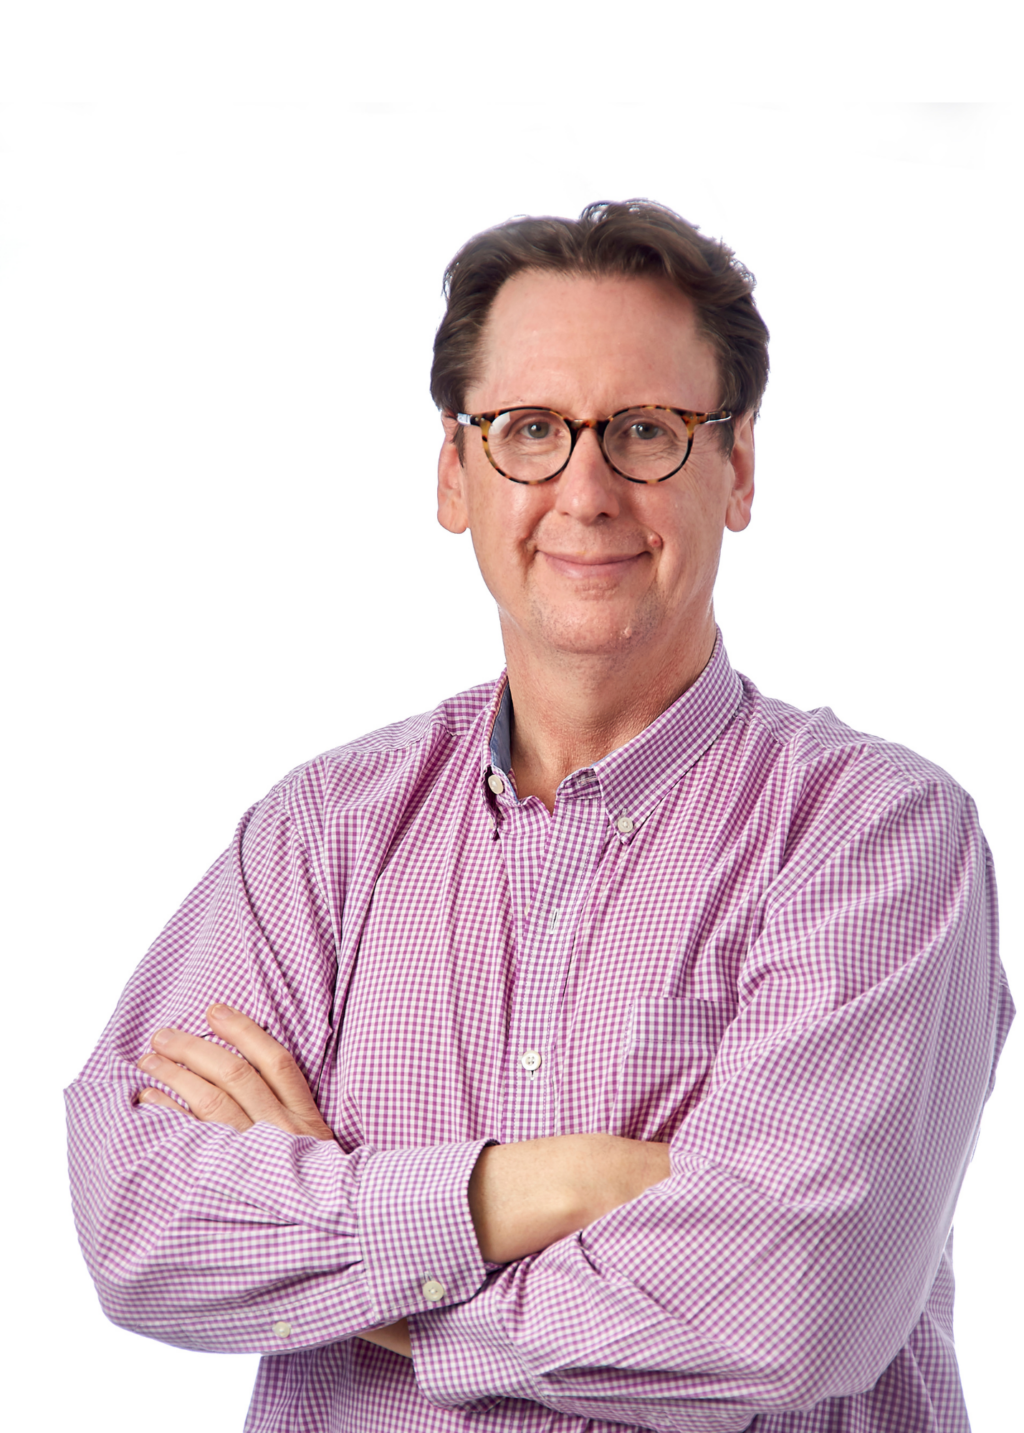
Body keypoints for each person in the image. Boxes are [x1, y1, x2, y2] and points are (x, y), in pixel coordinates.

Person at [66, 200, 1013, 1433]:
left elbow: (790, 1304)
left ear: (736, 469)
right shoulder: (321, 833)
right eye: (528, 430)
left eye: (645, 430)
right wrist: (550, 1186)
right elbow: (134, 1220)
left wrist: (372, 1278)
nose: (585, 488)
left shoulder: (875, 839)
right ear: (454, 474)